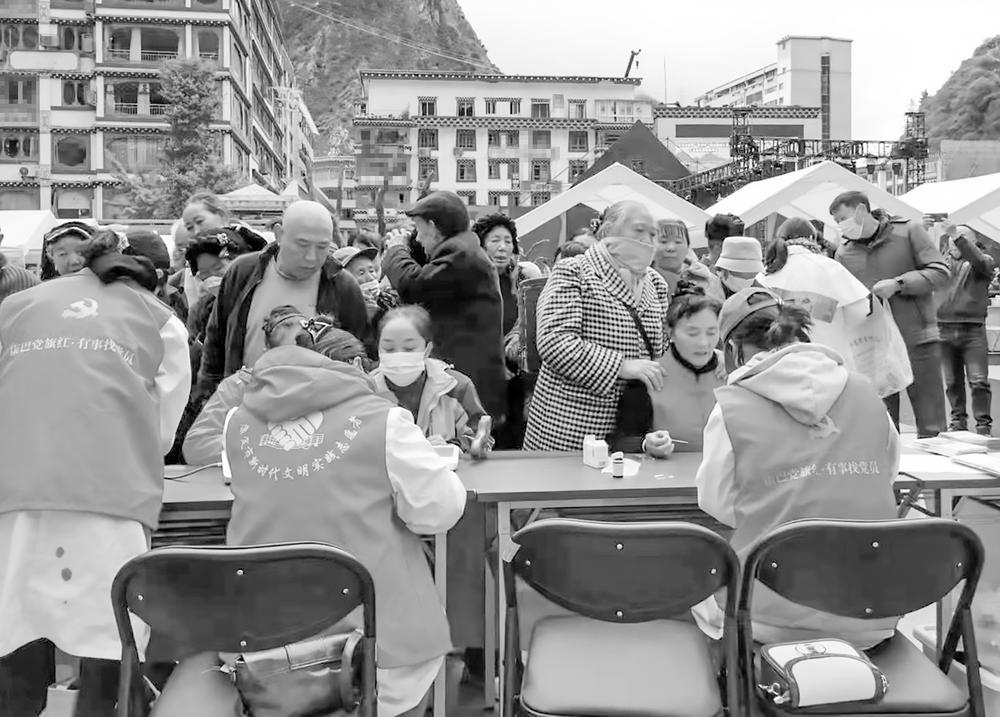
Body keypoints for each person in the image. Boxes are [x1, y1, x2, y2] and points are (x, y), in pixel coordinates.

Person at [153, 342, 465, 717]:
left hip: (268, 661)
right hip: (381, 655)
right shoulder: (384, 420)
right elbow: (441, 510)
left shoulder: (237, 424)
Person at [0, 229, 190, 716]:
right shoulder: (158, 319)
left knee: (14, 617)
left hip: (15, 484)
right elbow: (162, 433)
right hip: (110, 489)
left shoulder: (16, 306)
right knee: (110, 624)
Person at [694, 286, 899, 648]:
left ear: (733, 350)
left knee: (697, 590)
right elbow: (888, 473)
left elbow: (718, 504)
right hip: (873, 614)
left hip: (767, 615)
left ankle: (730, 679)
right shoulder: (865, 392)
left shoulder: (731, 407)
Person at [524, 200, 671, 451]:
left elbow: (662, 348)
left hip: (632, 427)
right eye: (639, 230)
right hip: (569, 429)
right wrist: (621, 366)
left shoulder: (655, 283)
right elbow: (554, 340)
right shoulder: (574, 271)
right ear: (608, 230)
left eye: (653, 234)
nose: (647, 240)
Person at [197, 200, 368, 400]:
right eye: (302, 245)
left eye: (322, 247)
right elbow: (215, 341)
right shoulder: (243, 272)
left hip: (314, 407)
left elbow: (359, 353)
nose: (311, 257)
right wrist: (209, 398)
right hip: (243, 402)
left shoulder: (342, 286)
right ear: (279, 235)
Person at [832, 191, 950, 437]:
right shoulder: (844, 253)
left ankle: (936, 457)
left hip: (917, 337)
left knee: (931, 421)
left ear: (861, 210)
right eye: (837, 221)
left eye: (843, 218)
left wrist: (899, 284)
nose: (841, 225)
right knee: (881, 424)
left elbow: (940, 272)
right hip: (873, 345)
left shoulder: (908, 232)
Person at [382, 191, 507, 421]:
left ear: (432, 226)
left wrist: (396, 249)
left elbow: (413, 285)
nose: (419, 239)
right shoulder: (463, 250)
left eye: (419, 230)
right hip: (470, 377)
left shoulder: (462, 255)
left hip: (469, 385)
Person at [183, 307, 330, 466]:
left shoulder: (330, 386)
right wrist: (261, 444)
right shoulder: (239, 386)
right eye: (285, 359)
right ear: (267, 354)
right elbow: (196, 446)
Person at [610, 282, 724, 454]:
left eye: (711, 332)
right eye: (692, 333)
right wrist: (645, 444)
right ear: (670, 332)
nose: (703, 343)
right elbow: (620, 440)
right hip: (670, 470)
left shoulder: (733, 374)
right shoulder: (649, 378)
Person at [757, 217, 871, 368]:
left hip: (779, 364)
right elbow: (861, 313)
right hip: (830, 361)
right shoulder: (830, 268)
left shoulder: (765, 274)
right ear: (812, 238)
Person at [371, 305, 488, 452]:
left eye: (409, 348)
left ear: (427, 349)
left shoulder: (457, 387)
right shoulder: (366, 390)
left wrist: (453, 446)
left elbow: (483, 439)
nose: (398, 355)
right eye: (388, 349)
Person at [472, 213, 543, 448]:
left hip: (514, 379)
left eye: (507, 241)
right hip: (477, 378)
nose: (502, 247)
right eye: (494, 240)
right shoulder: (468, 281)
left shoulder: (522, 280)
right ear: (480, 245)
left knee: (511, 440)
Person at [938, 223, 995, 435]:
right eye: (952, 236)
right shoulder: (940, 262)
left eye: (962, 236)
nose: (955, 240)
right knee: (951, 382)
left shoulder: (983, 261)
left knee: (978, 380)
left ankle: (983, 425)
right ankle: (957, 423)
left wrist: (957, 235)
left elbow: (979, 261)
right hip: (943, 327)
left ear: (972, 241)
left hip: (972, 329)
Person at [652, 218, 723, 300]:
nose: (671, 248)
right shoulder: (642, 280)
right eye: (663, 241)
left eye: (678, 242)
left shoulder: (709, 280)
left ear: (688, 247)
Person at [332, 244, 400, 326]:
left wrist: (378, 314)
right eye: (361, 273)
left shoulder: (388, 299)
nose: (370, 277)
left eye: (371, 271)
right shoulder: (334, 309)